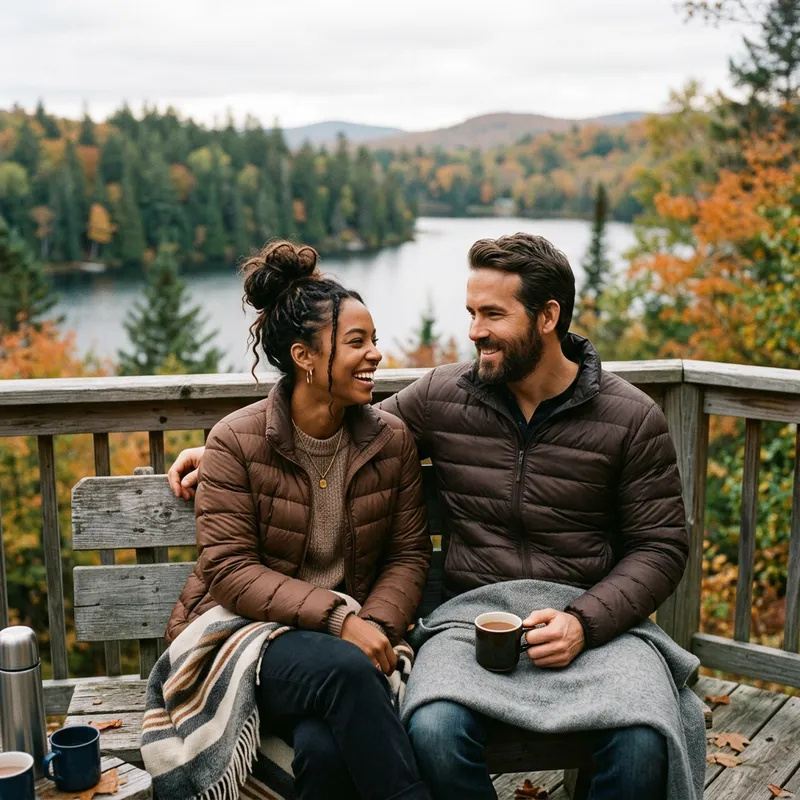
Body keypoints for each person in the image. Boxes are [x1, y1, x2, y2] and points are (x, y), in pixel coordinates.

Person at [169, 233, 689, 800]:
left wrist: (584, 622)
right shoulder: (445, 395)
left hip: (594, 626)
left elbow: (660, 547)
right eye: (470, 313)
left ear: (548, 316)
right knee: (434, 733)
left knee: (643, 743)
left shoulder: (632, 417)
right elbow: (336, 423)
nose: (474, 331)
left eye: (492, 314)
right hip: (472, 623)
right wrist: (216, 452)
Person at [164, 240, 432, 800]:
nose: (376, 354)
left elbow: (408, 555)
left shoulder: (392, 440)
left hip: (351, 647)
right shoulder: (236, 441)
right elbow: (231, 571)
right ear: (305, 357)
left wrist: (376, 630)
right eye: (356, 342)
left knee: (323, 749)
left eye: (374, 340)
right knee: (349, 675)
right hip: (248, 638)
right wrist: (340, 623)